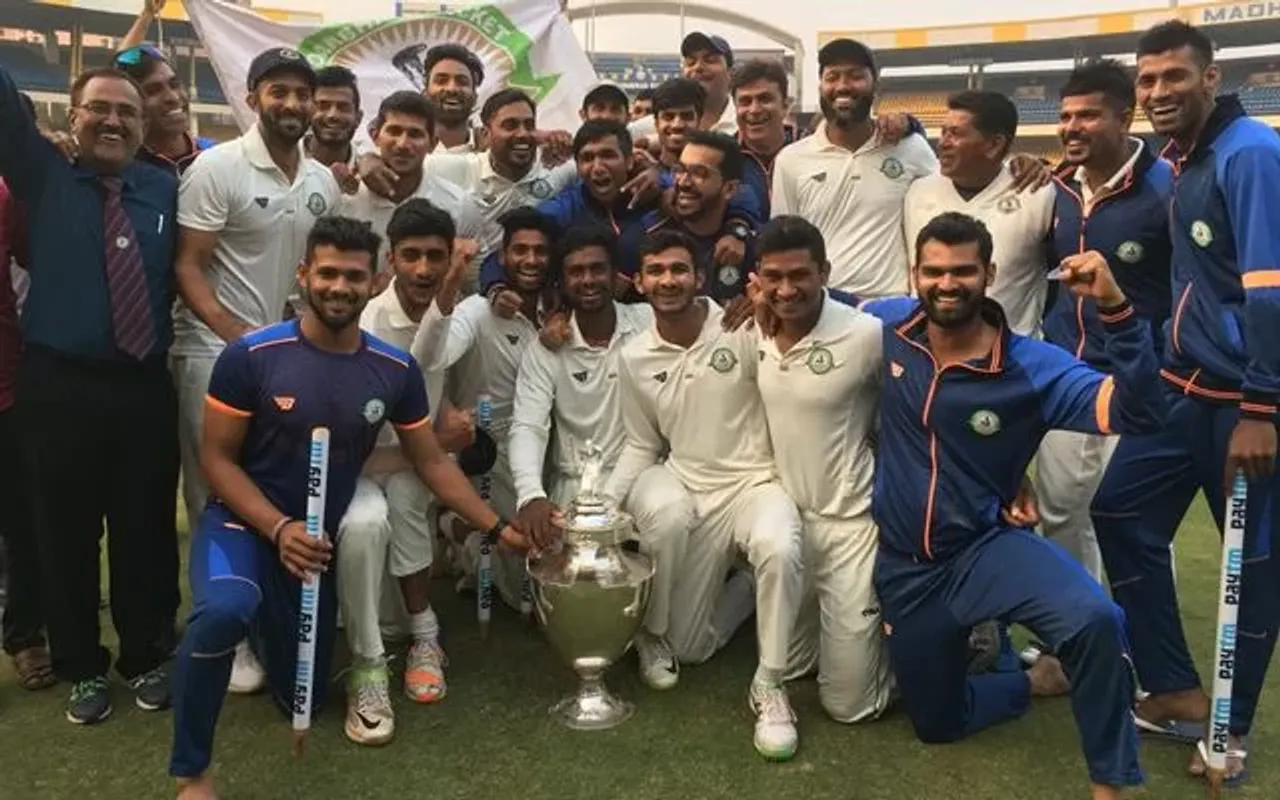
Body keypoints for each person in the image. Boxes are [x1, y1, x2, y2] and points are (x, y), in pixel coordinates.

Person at [168, 215, 523, 799]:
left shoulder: (393, 368)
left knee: (295, 696)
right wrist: (277, 526)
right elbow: (218, 461)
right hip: (245, 523)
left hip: (316, 538)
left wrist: (498, 526)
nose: (339, 287)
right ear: (304, 274)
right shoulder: (252, 356)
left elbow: (431, 462)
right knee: (222, 610)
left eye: (353, 276)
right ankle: (193, 775)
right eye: (327, 272)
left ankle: (272, 633)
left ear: (372, 280)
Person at [865, 212, 1167, 800]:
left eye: (962, 272)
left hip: (984, 548)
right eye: (933, 272)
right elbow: (821, 303)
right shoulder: (889, 326)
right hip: (907, 568)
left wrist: (1116, 309)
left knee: (1095, 619)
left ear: (990, 274)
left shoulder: (1033, 366)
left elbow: (1139, 413)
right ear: (914, 274)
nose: (946, 284)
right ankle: (1028, 676)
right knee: (937, 724)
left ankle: (1113, 782)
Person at [1092, 20, 1280, 788]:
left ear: (1212, 78)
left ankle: (1228, 733)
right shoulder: (1183, 160)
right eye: (1148, 80)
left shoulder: (1252, 155)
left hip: (1244, 401)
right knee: (1120, 513)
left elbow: (1270, 289)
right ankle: (1172, 688)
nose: (1160, 91)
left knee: (1255, 565)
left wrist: (1264, 408)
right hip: (1181, 390)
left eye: (1175, 77)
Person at [1, 63, 179, 724]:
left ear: (143, 125)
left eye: (126, 112)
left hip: (142, 387)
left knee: (146, 529)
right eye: (97, 109)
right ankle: (80, 665)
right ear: (70, 120)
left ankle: (147, 654)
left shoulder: (163, 188)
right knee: (64, 534)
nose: (111, 121)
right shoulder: (41, 176)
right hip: (59, 385)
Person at [173, 47, 342, 696]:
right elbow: (190, 264)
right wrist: (237, 337)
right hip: (215, 355)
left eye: (304, 92)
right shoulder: (217, 169)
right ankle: (227, 632)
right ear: (253, 95)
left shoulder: (322, 179)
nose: (295, 104)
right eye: (281, 91)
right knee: (212, 491)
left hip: (286, 360)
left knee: (276, 489)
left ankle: (268, 616)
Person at [603, 229, 805, 762]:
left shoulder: (743, 322)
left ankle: (771, 682)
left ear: (698, 276)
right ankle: (662, 631)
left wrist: (769, 311)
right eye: (655, 271)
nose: (667, 280)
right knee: (690, 648)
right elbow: (641, 442)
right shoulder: (634, 355)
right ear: (639, 282)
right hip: (688, 479)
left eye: (678, 269)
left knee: (780, 546)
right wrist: (601, 509)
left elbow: (798, 340)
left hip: (757, 481)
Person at [336, 200, 477, 745]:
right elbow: (408, 374)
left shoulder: (456, 309)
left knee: (405, 493)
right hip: (365, 462)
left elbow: (435, 363)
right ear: (389, 260)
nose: (423, 269)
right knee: (385, 500)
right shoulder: (369, 321)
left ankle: (425, 634)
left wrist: (443, 432)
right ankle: (375, 649)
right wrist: (435, 444)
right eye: (411, 256)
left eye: (435, 258)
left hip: (415, 462)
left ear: (450, 260)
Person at [748, 216, 893, 724]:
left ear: (825, 272)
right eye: (773, 277)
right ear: (758, 279)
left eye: (799, 276)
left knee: (849, 705)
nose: (786, 290)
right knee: (793, 665)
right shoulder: (754, 331)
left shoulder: (867, 334)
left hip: (853, 525)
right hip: (788, 526)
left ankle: (946, 643)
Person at [1035, 59, 1173, 582]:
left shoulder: (1167, 188)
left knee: (1133, 524)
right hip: (1068, 377)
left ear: (1125, 117)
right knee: (1061, 514)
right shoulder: (1056, 189)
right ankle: (1081, 641)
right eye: (1066, 116)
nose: (1072, 127)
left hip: (1140, 380)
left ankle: (1139, 637)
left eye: (1088, 116)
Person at [411, 208, 559, 608]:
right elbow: (428, 357)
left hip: (554, 443)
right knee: (529, 600)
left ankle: (462, 536)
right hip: (493, 454)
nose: (530, 260)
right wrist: (451, 284)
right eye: (520, 250)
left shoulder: (560, 305)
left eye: (540, 251)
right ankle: (459, 528)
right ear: (503, 255)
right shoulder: (477, 311)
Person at [509, 224, 654, 557]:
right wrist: (531, 495)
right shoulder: (546, 347)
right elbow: (529, 425)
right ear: (561, 283)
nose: (588, 280)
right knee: (550, 581)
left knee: (667, 516)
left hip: (641, 478)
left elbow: (699, 317)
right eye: (576, 272)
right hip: (574, 486)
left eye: (597, 269)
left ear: (617, 275)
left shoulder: (648, 322)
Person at [771, 38, 939, 297]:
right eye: (832, 77)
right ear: (821, 85)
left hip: (891, 307)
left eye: (855, 76)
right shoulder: (791, 160)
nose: (842, 86)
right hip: (822, 307)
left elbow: (951, 196)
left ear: (876, 86)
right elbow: (783, 242)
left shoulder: (911, 148)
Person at [903, 91, 1055, 337]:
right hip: (929, 350)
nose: (942, 142)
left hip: (1009, 360)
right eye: (943, 132)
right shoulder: (918, 191)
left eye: (955, 134)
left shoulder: (1038, 193)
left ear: (994, 144)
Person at [0, 142, 52, 694]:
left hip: (9, 384)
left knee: (21, 519)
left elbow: (41, 259)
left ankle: (25, 633)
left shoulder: (6, 195)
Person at [339, 91, 485, 274]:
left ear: (433, 143)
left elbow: (473, 282)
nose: (402, 144)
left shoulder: (458, 206)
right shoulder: (344, 199)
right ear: (375, 136)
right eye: (394, 131)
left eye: (415, 134)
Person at [631, 131, 756, 301]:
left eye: (700, 174)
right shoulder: (643, 235)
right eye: (680, 170)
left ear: (730, 189)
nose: (683, 182)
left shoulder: (748, 243)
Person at [630, 32, 737, 140]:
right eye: (691, 62)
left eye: (710, 60)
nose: (698, 67)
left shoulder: (745, 124)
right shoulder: (641, 131)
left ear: (731, 72)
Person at [421, 43, 484, 153]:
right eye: (441, 81)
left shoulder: (492, 154)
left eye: (462, 82)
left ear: (475, 96)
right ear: (425, 92)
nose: (452, 89)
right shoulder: (406, 152)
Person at [305, 65, 362, 186]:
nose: (332, 115)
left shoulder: (369, 176)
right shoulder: (283, 160)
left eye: (343, 107)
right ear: (308, 112)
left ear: (358, 118)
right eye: (323, 106)